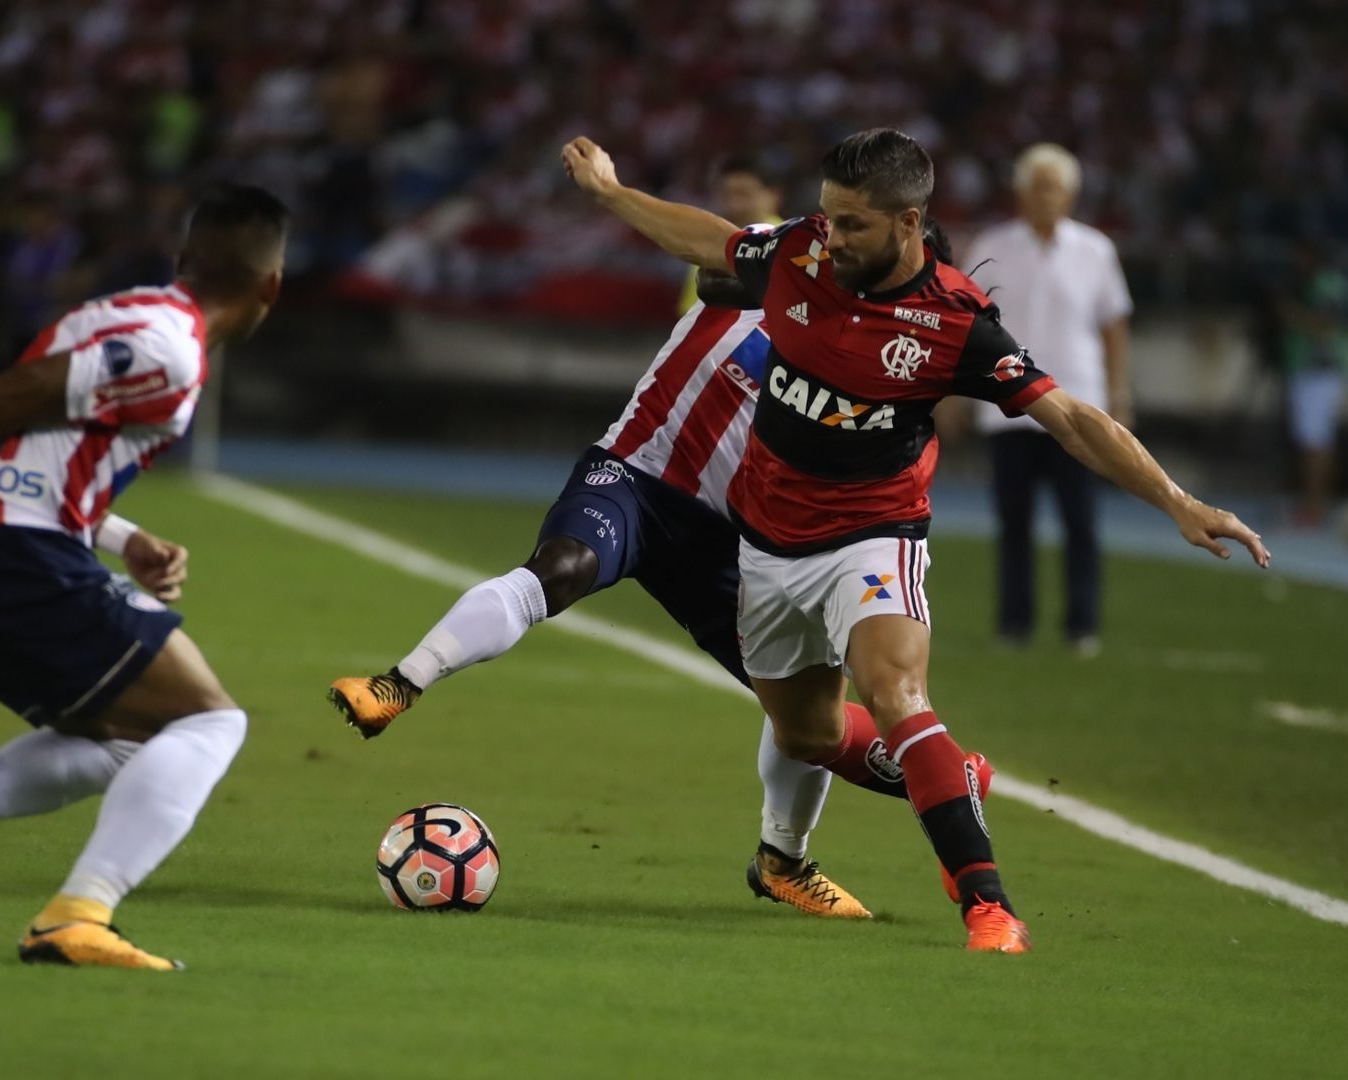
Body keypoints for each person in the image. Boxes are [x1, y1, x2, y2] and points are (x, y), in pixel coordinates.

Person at [561, 127, 1268, 953]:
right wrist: (611, 195)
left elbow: (1070, 417)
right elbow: (707, 237)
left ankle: (987, 905)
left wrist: (1175, 500)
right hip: (767, 544)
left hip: (874, 533)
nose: (830, 235)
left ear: (907, 223)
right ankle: (946, 782)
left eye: (852, 224)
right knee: (808, 736)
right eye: (826, 217)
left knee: (897, 693)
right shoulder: (798, 256)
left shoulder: (956, 322)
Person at [330, 175, 986, 921]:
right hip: (636, 476)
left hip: (730, 538)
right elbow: (714, 260)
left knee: (810, 713)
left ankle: (789, 860)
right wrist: (621, 194)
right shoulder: (788, 267)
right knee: (561, 570)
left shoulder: (877, 363)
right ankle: (397, 684)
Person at [0, 184, 290, 971]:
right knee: (210, 722)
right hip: (3, 559)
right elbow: (4, 397)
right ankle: (78, 916)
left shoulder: (128, 311)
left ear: (181, 261)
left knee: (137, 737)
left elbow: (10, 433)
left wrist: (121, 534)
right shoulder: (169, 349)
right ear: (271, 286)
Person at [966, 143, 1133, 654]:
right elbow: (967, 322)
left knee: (1080, 521)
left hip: (1078, 401)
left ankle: (1081, 625)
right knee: (1013, 522)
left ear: (1070, 194)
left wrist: (1120, 392)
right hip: (1008, 405)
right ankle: (1014, 625)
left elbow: (1113, 326)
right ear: (1020, 192)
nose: (1045, 195)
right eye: (1037, 185)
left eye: (1054, 186)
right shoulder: (991, 245)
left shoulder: (1095, 250)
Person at [1279, 238, 1348, 526]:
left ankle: (1314, 506)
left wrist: (1290, 314)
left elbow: (1325, 324)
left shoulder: (1327, 284)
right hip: (1314, 370)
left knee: (1316, 442)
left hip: (1320, 371)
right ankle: (1313, 503)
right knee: (1315, 440)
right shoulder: (1324, 282)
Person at [678, 157, 783, 315]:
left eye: (744, 194)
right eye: (727, 195)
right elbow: (690, 313)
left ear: (773, 195)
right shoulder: (710, 244)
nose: (735, 204)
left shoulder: (790, 242)